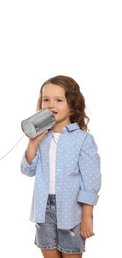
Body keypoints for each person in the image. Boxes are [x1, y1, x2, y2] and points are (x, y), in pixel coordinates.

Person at [20, 75, 101, 258]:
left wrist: (87, 216)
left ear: (72, 105)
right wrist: (32, 144)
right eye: (45, 100)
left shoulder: (83, 139)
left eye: (58, 100)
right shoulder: (41, 138)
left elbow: (91, 181)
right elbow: (27, 170)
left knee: (71, 254)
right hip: (43, 209)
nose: (50, 105)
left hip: (71, 210)